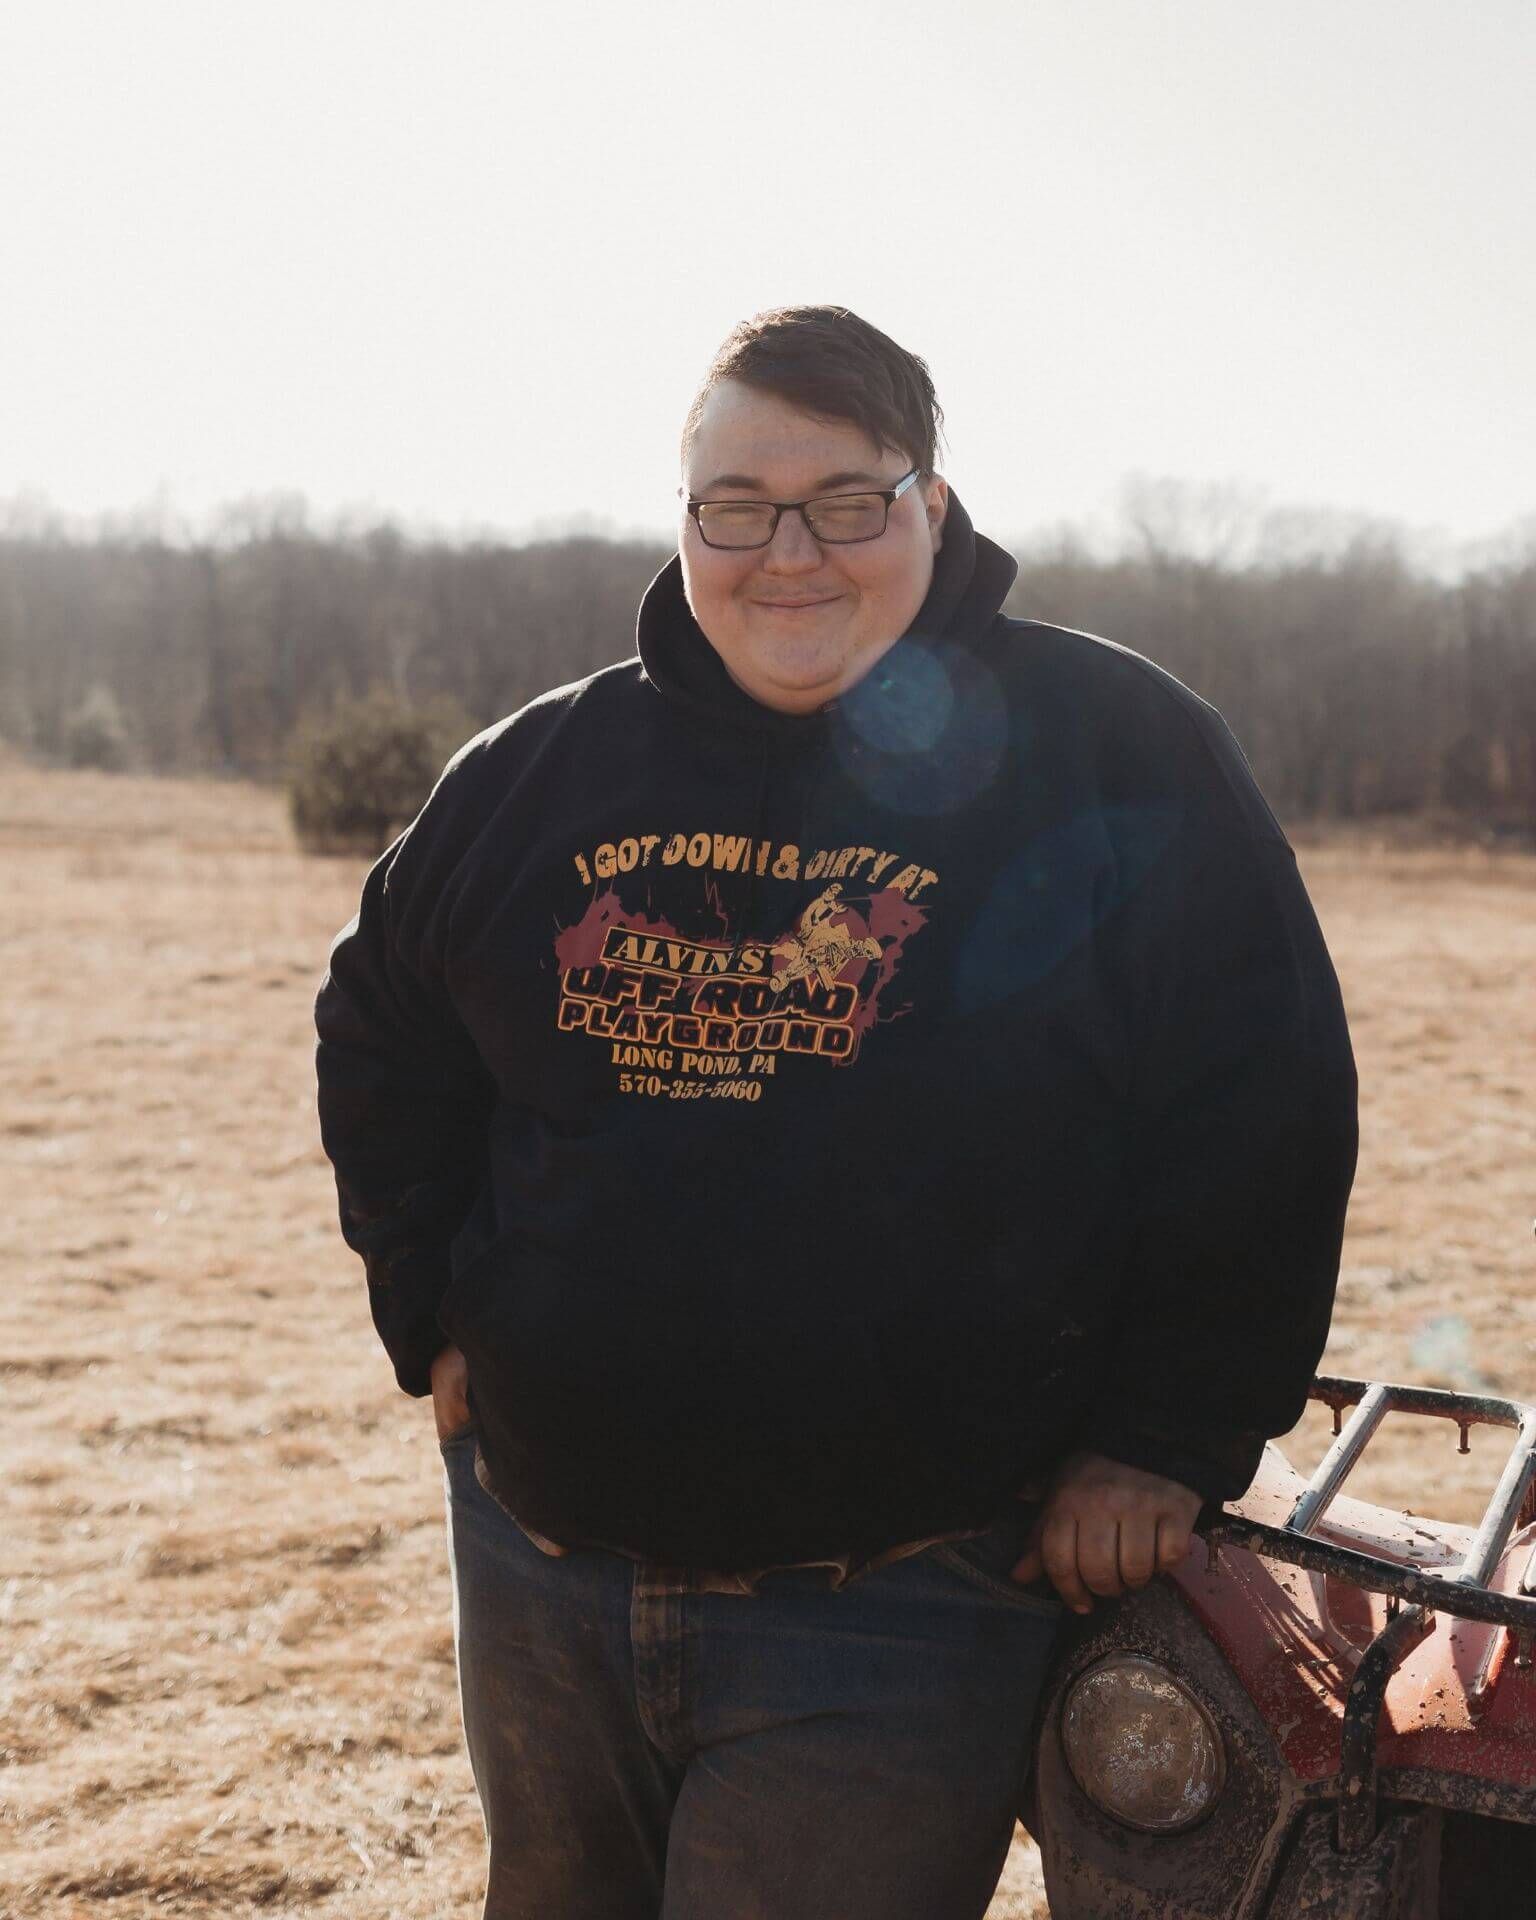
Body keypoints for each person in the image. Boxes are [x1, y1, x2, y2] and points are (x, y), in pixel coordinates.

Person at [313, 305, 1358, 1918]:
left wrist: (1165, 1436)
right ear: (685, 523)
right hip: (543, 1563)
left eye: (847, 499)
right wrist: (434, 1316)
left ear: (931, 506)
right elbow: (381, 1023)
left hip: (907, 1593)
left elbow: (1261, 1104)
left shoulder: (1114, 753)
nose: (787, 550)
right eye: (737, 503)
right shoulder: (543, 773)